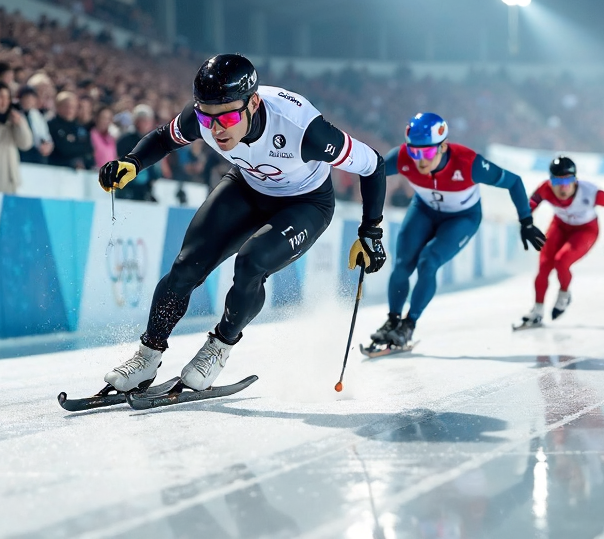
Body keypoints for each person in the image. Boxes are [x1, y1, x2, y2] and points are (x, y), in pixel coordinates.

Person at [96, 54, 388, 393]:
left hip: (305, 203)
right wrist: (132, 162)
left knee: (251, 263)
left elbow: (373, 164)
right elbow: (164, 138)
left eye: (229, 117)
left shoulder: (304, 130)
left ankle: (219, 347)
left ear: (254, 103)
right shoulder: (204, 116)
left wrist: (371, 231)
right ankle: (147, 356)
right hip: (247, 186)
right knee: (186, 266)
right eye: (206, 118)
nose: (217, 129)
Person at [368, 112, 546, 350]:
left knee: (428, 261)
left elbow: (513, 181)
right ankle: (392, 321)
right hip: (423, 209)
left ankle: (408, 325)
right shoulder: (402, 157)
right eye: (414, 152)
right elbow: (369, 170)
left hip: (462, 218)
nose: (420, 161)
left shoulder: (469, 163)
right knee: (402, 264)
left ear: (443, 147)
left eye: (427, 153)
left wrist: (526, 221)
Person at [514, 156, 604, 329]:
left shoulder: (592, 193)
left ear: (575, 180)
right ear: (550, 181)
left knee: (561, 261)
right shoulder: (545, 189)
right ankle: (537, 310)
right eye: (557, 181)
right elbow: (529, 206)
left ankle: (564, 294)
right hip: (559, 226)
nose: (563, 187)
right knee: (544, 266)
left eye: (568, 180)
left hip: (585, 230)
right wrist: (525, 224)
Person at [115, 103, 158, 201]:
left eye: (148, 120)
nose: (146, 123)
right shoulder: (125, 140)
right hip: (127, 188)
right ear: (136, 121)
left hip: (144, 190)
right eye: (143, 120)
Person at [47, 91, 92, 169]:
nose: (69, 110)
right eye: (66, 106)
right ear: (58, 107)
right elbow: (63, 149)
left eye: (73, 107)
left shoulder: (81, 128)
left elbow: (88, 150)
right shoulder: (51, 125)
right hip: (56, 169)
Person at [16, 84, 53, 163]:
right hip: (21, 151)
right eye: (27, 98)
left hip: (36, 152)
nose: (29, 101)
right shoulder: (16, 114)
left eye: (32, 98)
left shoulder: (37, 115)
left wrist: (46, 144)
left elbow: (45, 135)